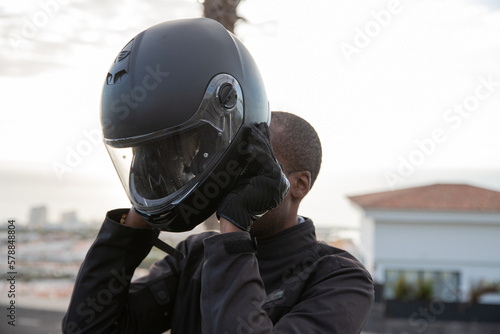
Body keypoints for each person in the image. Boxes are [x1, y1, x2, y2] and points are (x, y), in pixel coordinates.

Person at [63, 18, 373, 334]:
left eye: (252, 163)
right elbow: (88, 328)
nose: (230, 177)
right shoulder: (195, 256)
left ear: (299, 184)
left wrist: (237, 227)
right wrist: (146, 188)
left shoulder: (338, 278)